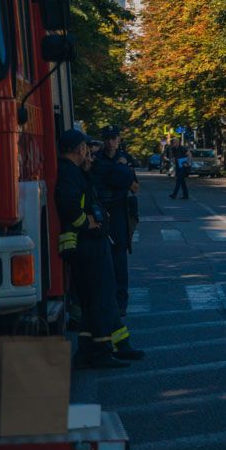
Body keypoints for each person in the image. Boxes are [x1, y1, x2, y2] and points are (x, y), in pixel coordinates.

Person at [56, 129, 143, 368]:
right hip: (87, 244)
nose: (89, 153)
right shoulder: (69, 173)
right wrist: (88, 223)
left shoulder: (75, 171)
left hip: (92, 243)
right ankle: (102, 351)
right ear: (78, 149)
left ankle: (100, 349)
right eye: (86, 148)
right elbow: (69, 205)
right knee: (101, 298)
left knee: (97, 299)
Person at [90, 125, 138, 315]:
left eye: (113, 138)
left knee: (118, 259)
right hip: (100, 212)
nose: (110, 142)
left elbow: (135, 187)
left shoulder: (125, 159)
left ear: (119, 139)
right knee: (100, 258)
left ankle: (120, 302)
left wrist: (119, 173)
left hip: (119, 212)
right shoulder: (96, 159)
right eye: (107, 138)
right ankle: (104, 299)